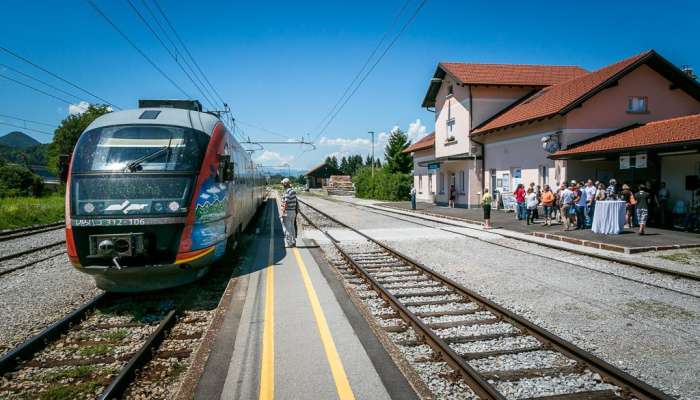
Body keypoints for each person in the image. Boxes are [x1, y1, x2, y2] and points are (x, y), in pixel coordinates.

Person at [280, 178, 297, 247]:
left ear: (285, 184)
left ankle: (289, 243)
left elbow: (286, 202)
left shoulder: (287, 192)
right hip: (293, 211)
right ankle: (293, 241)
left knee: (287, 228)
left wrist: (283, 212)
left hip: (288, 212)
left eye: (282, 184)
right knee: (292, 227)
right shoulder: (293, 191)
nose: (282, 185)